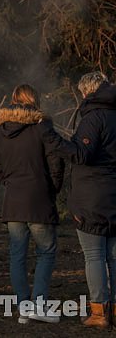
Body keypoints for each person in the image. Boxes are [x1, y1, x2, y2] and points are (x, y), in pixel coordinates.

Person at [0, 84, 68, 324]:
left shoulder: (0, 129)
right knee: (46, 252)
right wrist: (52, 188)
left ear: (14, 99)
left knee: (17, 255)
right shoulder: (42, 126)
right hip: (39, 198)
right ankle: (39, 305)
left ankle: (24, 307)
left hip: (13, 200)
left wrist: (10, 183)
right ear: (34, 100)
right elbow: (56, 162)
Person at [66, 72, 116, 328]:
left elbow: (82, 154)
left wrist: (57, 143)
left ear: (87, 92)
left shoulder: (93, 117)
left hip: (92, 197)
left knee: (94, 256)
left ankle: (99, 312)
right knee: (114, 257)